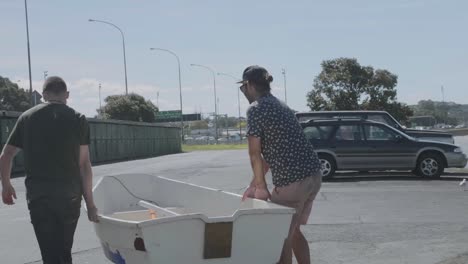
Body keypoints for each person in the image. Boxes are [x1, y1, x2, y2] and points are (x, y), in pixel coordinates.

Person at [0, 76, 99, 264]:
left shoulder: (27, 117)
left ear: (44, 95)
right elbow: (84, 165)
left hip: (39, 198)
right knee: (64, 250)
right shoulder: (78, 119)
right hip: (69, 197)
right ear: (67, 95)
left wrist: (6, 185)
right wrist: (91, 205)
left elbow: (6, 155)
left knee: (49, 254)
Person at [240, 66, 322, 264]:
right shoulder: (281, 105)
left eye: (243, 87)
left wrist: (261, 187)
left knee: (278, 237)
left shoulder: (256, 109)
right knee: (292, 231)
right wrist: (254, 184)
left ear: (249, 85)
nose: (243, 92)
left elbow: (254, 153)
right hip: (313, 175)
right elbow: (271, 154)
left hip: (293, 182)